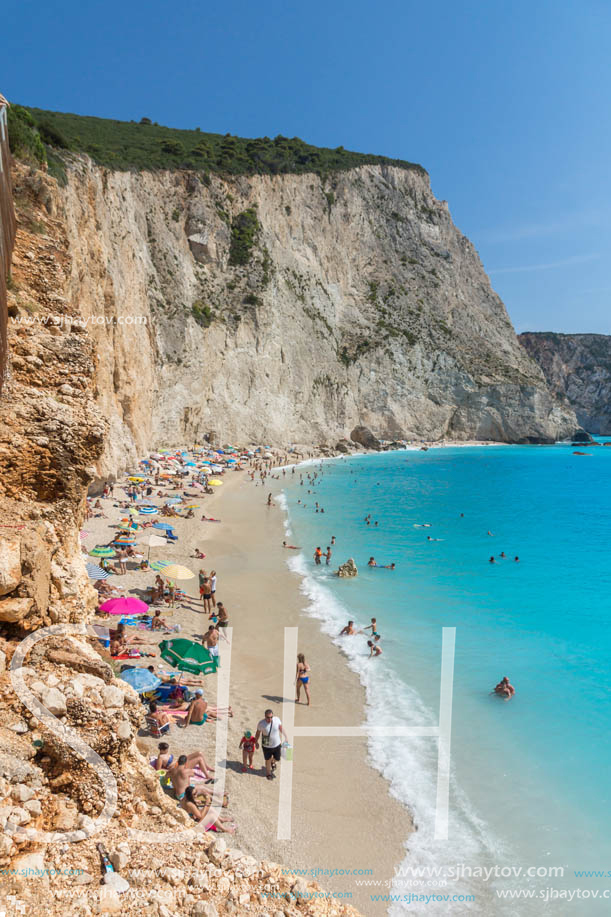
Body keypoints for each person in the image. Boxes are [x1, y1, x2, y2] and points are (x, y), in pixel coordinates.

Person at [255, 709, 289, 780]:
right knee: (268, 759)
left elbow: (280, 728)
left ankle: (273, 762)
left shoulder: (276, 719)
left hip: (277, 744)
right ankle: (268, 773)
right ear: (265, 716)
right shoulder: (261, 723)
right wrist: (256, 742)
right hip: (266, 745)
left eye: (271, 717)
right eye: (268, 717)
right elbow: (258, 733)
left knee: (277, 758)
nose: (270, 719)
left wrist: (286, 736)